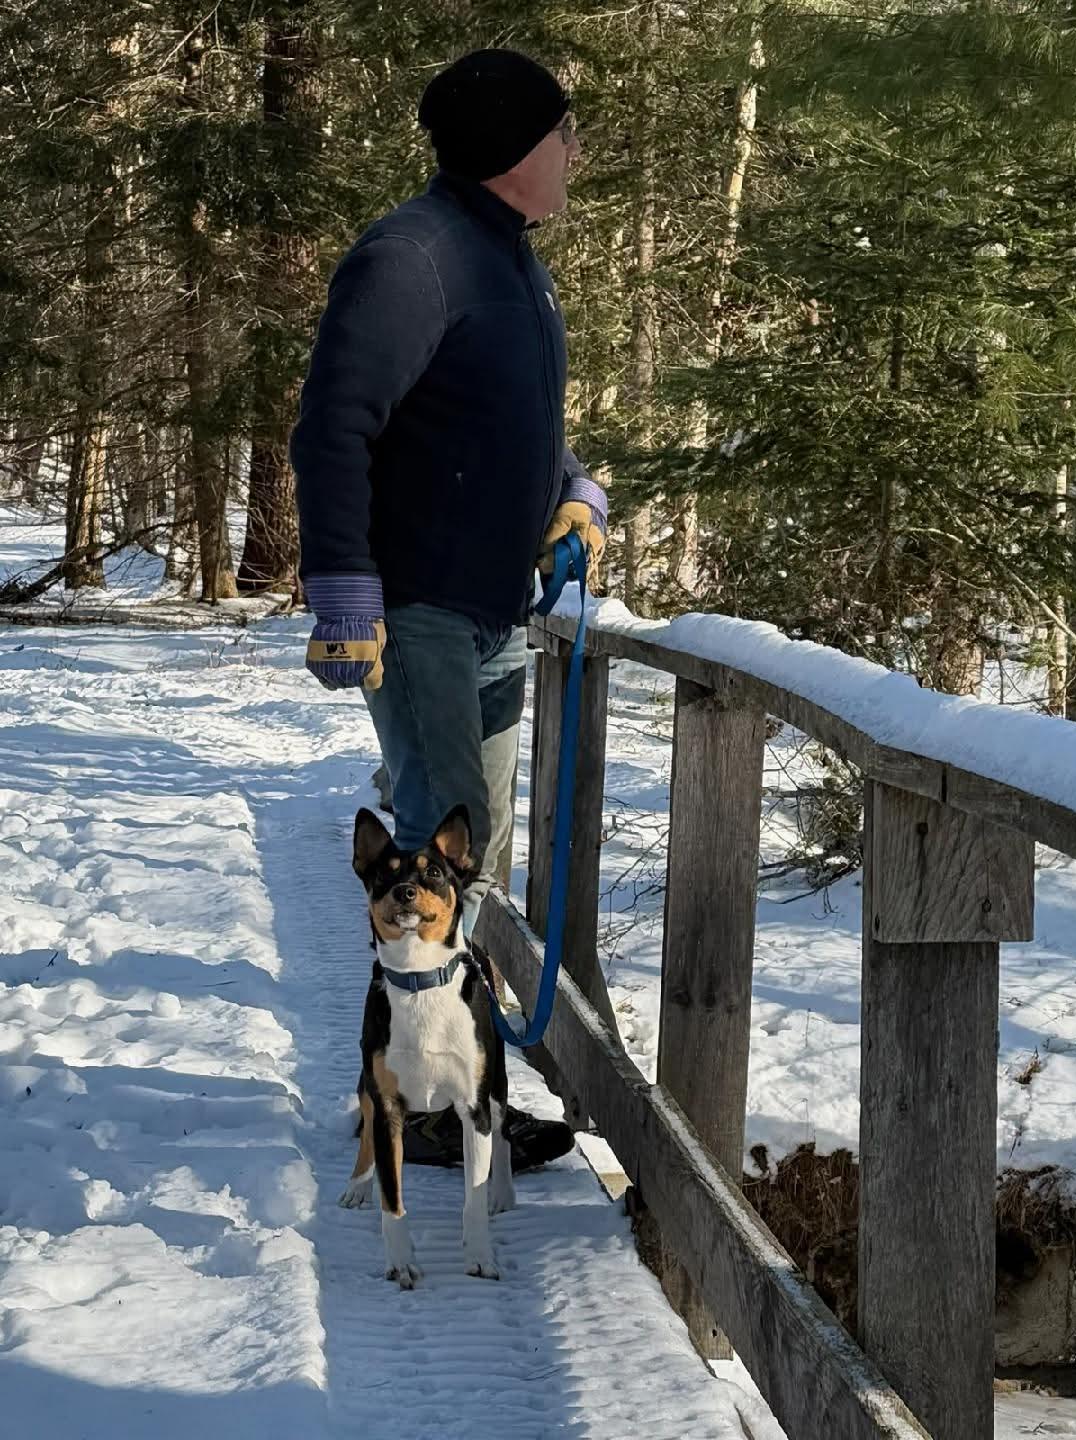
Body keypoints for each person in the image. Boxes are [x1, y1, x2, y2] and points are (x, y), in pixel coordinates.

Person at [290, 49, 607, 1171]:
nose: (576, 150)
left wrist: (573, 491)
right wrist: (343, 590)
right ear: (517, 148)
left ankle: (455, 1090)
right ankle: (420, 1110)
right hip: (416, 606)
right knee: (436, 847)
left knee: (477, 846)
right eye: (564, 132)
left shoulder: (506, 259)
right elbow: (333, 426)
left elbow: (499, 412)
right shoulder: (412, 258)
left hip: (491, 609)